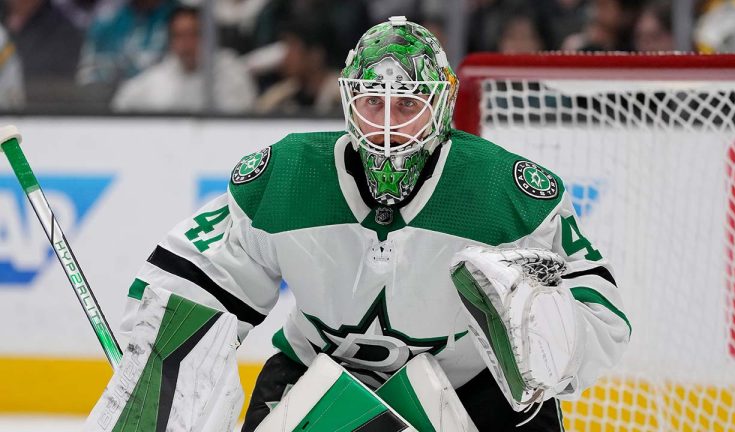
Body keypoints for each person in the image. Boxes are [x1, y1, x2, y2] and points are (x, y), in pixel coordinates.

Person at [88, 16, 631, 431]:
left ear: (441, 108)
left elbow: (601, 314)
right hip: (318, 381)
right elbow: (194, 282)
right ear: (349, 103)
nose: (389, 126)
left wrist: (550, 338)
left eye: (408, 105)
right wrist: (161, 361)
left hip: (472, 393)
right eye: (373, 103)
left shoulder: (505, 194)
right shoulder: (287, 179)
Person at [111, 6, 256, 113]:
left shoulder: (230, 69)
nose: (186, 44)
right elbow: (122, 102)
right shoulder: (161, 73)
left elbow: (242, 114)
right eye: (178, 36)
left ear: (208, 37)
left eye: (193, 34)